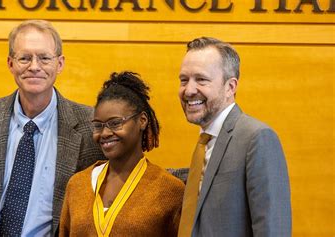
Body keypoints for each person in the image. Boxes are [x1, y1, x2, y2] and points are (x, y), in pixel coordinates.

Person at [0, 20, 104, 236]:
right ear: (10, 63)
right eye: (24, 58)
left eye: (44, 58)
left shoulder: (91, 126)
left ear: (60, 64)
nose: (34, 66)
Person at [177, 37, 292, 237]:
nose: (189, 90)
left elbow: (273, 230)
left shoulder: (257, 138)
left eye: (201, 79)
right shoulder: (204, 142)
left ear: (230, 87)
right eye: (184, 80)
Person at [59, 71, 185, 236]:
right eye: (98, 125)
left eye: (115, 123)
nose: (104, 133)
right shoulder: (77, 184)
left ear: (142, 120)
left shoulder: (170, 190)